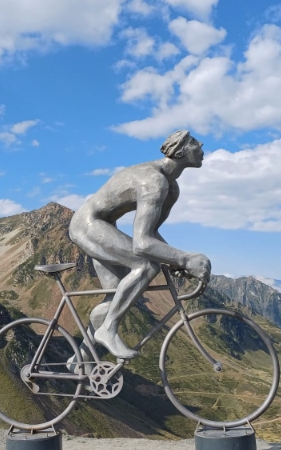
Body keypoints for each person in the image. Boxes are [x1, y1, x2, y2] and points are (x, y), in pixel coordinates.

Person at [68, 130, 211, 360]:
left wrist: (176, 260)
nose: (201, 144)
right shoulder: (154, 181)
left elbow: (152, 233)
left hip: (103, 224)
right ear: (180, 151)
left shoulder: (171, 189)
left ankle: (80, 361)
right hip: (87, 224)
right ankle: (108, 329)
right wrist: (185, 259)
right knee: (145, 266)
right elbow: (142, 244)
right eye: (194, 141)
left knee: (114, 296)